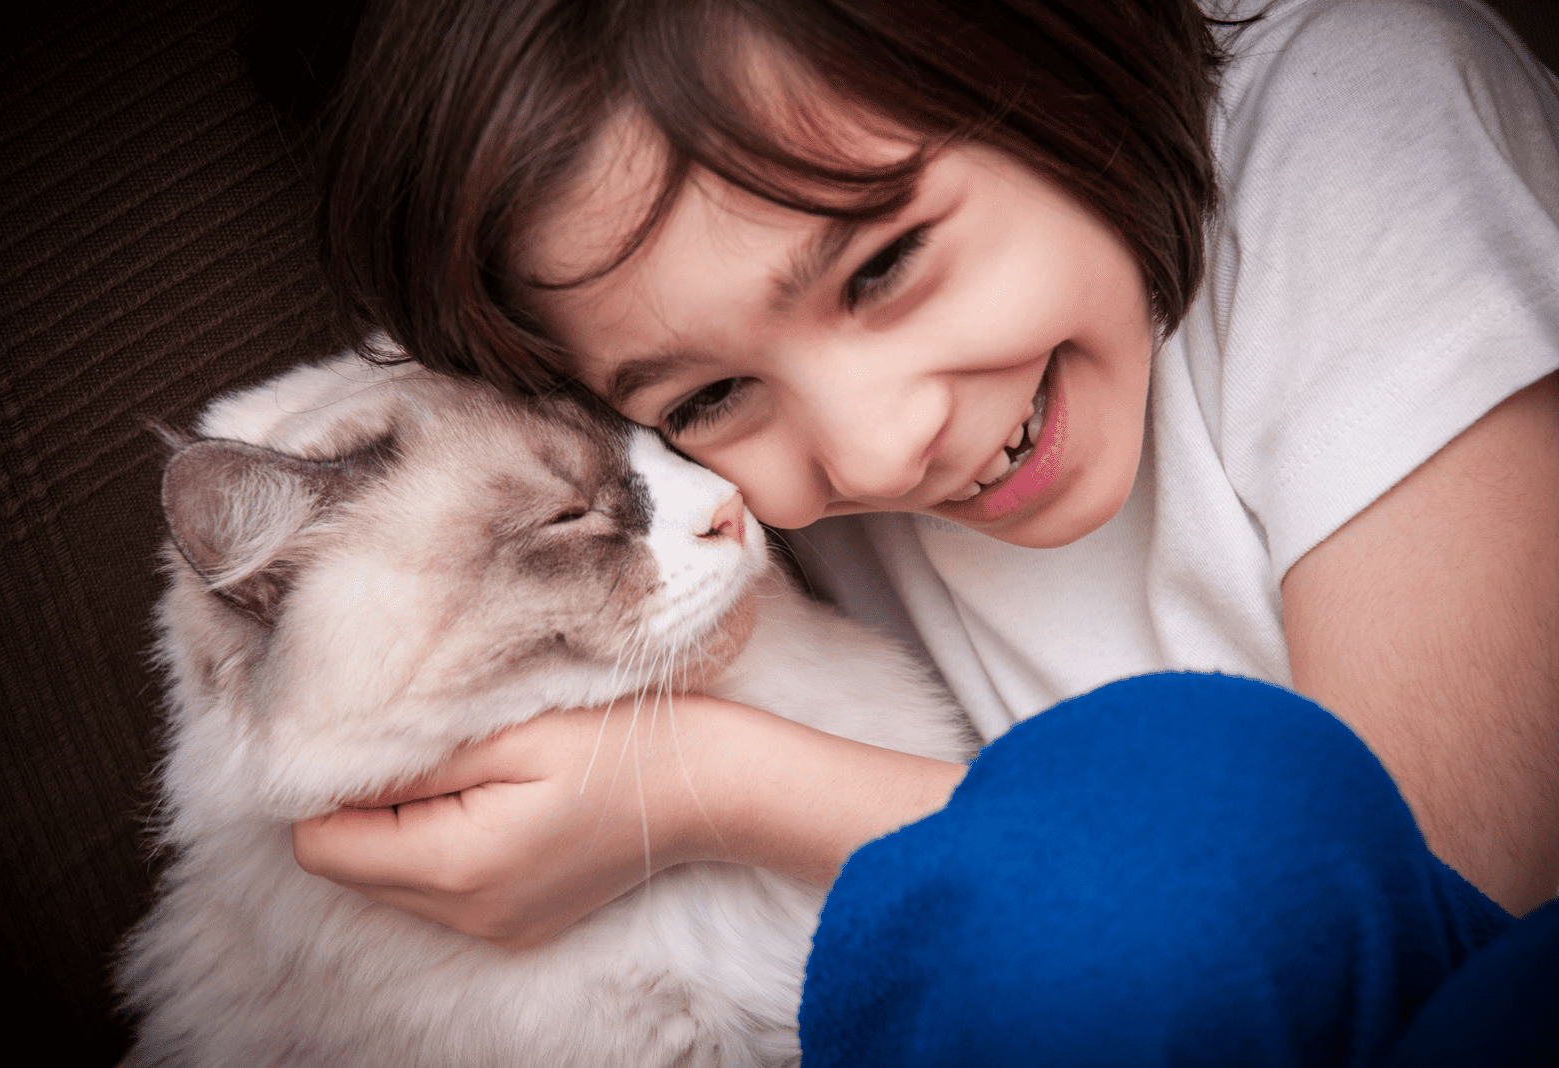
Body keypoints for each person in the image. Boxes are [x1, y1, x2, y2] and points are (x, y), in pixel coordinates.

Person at [291, 0, 1559, 1061]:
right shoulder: (710, 499)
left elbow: (1396, 920)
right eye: (712, 397)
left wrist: (718, 790)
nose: (876, 448)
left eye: (885, 265)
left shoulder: (1354, 119)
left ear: (1044, 52)